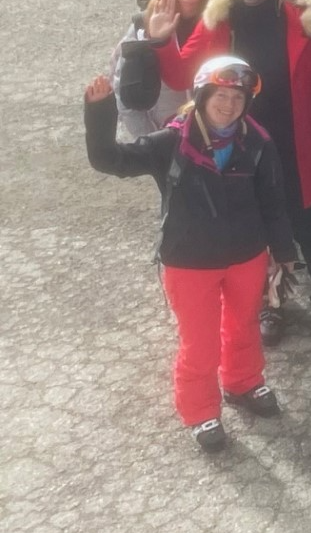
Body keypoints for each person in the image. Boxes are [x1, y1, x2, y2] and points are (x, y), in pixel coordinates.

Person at [134, 0, 311, 341]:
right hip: (237, 143)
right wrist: (162, 40)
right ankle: (271, 301)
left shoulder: (305, 22)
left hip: (294, 142)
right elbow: (182, 75)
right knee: (256, 227)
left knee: (309, 221)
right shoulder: (218, 20)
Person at [84, 60, 298, 452]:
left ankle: (243, 382)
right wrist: (100, 111)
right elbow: (108, 159)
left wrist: (284, 252)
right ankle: (200, 412)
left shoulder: (258, 142)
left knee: (243, 325)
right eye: (221, 96)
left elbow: (274, 202)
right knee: (200, 342)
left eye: (238, 98)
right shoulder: (170, 142)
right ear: (202, 96)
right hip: (189, 262)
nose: (229, 105)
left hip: (246, 255)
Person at [114, 0, 215, 138]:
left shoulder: (217, 24)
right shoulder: (144, 24)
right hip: (162, 130)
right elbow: (124, 88)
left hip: (211, 130)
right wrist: (147, 137)